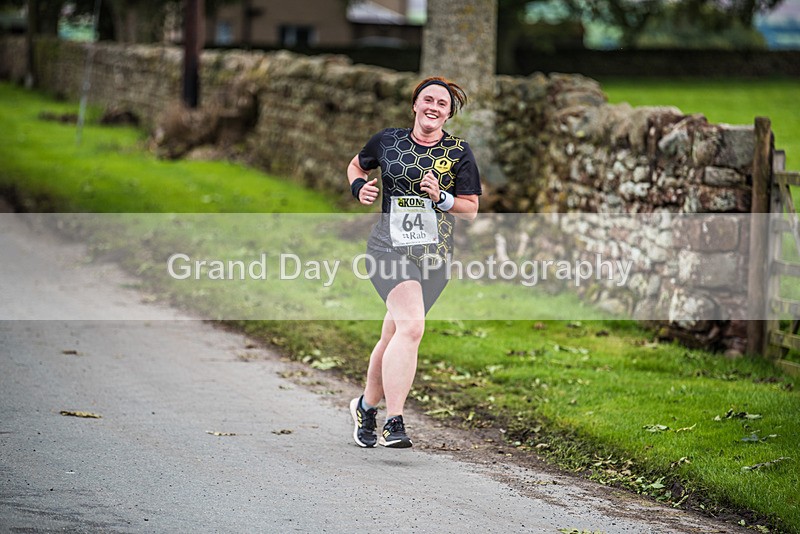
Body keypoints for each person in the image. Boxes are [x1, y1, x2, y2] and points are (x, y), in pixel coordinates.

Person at [346, 76, 482, 448]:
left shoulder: (459, 152)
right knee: (412, 328)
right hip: (388, 249)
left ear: (448, 113)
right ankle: (395, 421)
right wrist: (360, 187)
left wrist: (443, 198)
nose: (434, 107)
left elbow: (470, 209)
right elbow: (356, 166)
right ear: (415, 105)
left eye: (442, 104)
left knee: (394, 334)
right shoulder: (387, 141)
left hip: (434, 257)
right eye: (428, 100)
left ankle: (365, 407)